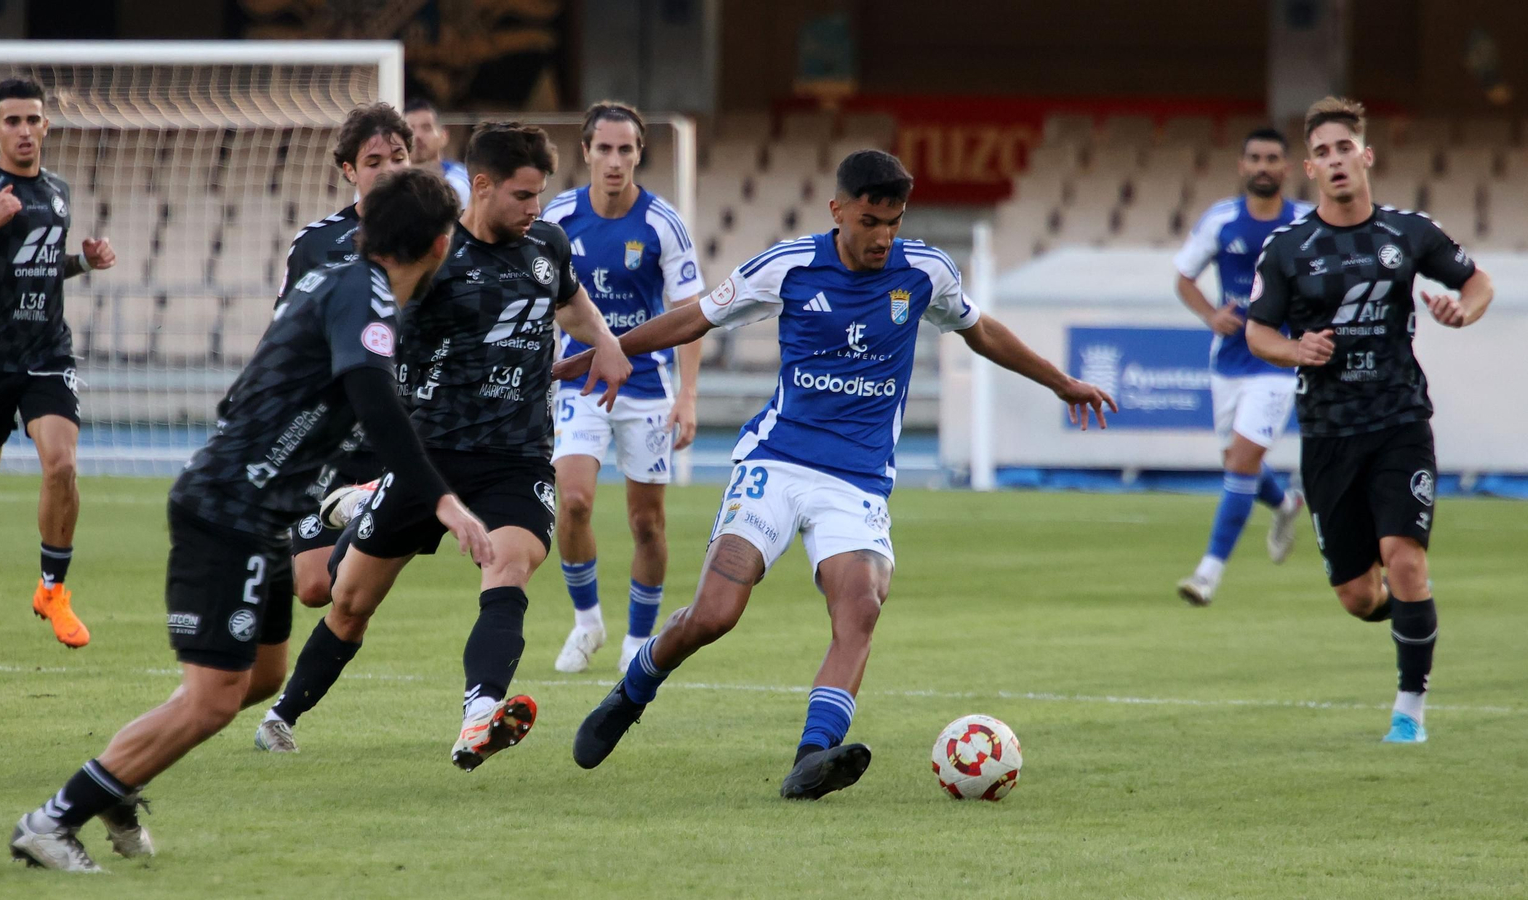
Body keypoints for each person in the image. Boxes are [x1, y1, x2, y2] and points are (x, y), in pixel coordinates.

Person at [559, 150, 1115, 799]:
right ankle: (631, 693)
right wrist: (610, 349)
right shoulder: (789, 266)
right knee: (714, 615)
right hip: (777, 462)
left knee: (860, 609)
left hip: (856, 482)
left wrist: (1061, 383)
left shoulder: (925, 272)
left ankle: (812, 757)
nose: (883, 236)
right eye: (872, 220)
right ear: (839, 211)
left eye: (894, 222)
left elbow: (981, 330)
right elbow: (697, 316)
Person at [9, 168, 490, 872]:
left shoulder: (334, 282)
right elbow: (375, 401)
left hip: (256, 508)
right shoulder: (366, 294)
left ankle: (121, 778)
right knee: (212, 700)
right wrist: (443, 499)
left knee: (263, 678)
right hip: (232, 509)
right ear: (442, 247)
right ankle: (53, 819)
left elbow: (251, 392)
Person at [255, 124, 632, 771]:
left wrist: (606, 339)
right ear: (480, 187)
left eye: (538, 194)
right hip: (428, 461)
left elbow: (570, 301)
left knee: (508, 566)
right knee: (346, 601)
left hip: (515, 457)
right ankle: (282, 715)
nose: (533, 209)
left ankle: (480, 715)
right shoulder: (431, 253)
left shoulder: (546, 243)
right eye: (521, 195)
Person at [1246, 97, 1493, 744]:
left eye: (1343, 149)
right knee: (1360, 596)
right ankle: (1409, 610)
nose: (1335, 161)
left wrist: (1464, 312)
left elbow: (1478, 283)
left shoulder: (1407, 234)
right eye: (1322, 153)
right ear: (1309, 167)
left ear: (1366, 155)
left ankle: (1409, 708)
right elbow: (1257, 332)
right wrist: (1295, 349)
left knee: (1404, 559)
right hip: (1328, 435)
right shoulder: (1288, 249)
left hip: (1398, 422)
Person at [0, 78, 116, 654]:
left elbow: (33, 268)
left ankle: (52, 589)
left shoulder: (57, 192)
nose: (24, 131)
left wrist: (81, 265)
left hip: (46, 355)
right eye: (12, 121)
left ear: (46, 127)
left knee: (61, 466)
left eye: (33, 120)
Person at [541, 101, 705, 675]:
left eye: (626, 150)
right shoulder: (558, 217)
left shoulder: (664, 223)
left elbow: (691, 315)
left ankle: (638, 640)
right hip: (580, 383)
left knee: (645, 522)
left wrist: (687, 396)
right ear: (585, 151)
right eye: (604, 149)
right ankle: (587, 624)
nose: (614, 161)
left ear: (639, 154)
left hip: (646, 387)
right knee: (576, 500)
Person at [279, 104, 413, 616]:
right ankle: (361, 505)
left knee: (353, 593)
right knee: (314, 588)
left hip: (396, 425)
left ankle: (373, 501)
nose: (387, 170)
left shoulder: (440, 242)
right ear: (349, 171)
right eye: (374, 160)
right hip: (327, 431)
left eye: (398, 157)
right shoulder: (316, 244)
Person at [1172, 128, 1313, 606]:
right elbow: (1184, 277)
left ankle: (1208, 574)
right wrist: (1210, 315)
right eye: (1255, 158)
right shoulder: (1221, 220)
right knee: (1235, 461)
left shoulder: (1306, 222)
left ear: (1287, 168)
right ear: (1241, 165)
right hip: (1228, 360)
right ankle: (1286, 502)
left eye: (1273, 158)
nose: (1263, 166)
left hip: (1278, 358)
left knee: (1243, 461)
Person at [405, 98, 470, 207]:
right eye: (410, 129)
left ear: (444, 136)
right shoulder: (392, 183)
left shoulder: (459, 181)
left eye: (426, 128)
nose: (417, 136)